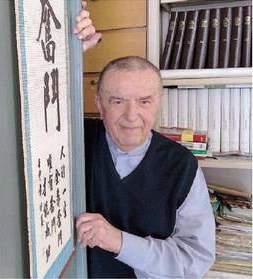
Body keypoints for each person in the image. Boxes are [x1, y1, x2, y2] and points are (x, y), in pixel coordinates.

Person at [76, 56, 216, 278]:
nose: (131, 116)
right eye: (117, 101)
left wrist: (119, 242)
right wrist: (72, 48)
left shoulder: (181, 166)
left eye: (144, 102)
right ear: (100, 105)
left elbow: (194, 259)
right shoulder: (73, 141)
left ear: (158, 103)